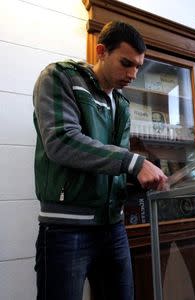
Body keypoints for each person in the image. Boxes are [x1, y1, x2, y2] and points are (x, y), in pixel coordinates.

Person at [33, 21, 168, 300]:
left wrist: (139, 181)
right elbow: (61, 141)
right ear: (101, 51)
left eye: (138, 67)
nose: (132, 74)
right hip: (65, 228)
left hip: (113, 227)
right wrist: (134, 164)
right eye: (125, 63)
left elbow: (112, 166)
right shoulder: (60, 77)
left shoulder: (122, 104)